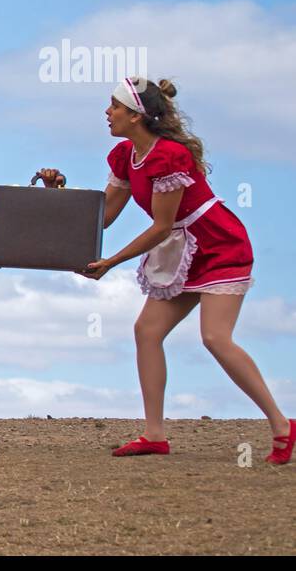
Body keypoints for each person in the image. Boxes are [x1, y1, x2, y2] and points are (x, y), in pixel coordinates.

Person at [37, 77, 292, 464]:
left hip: (218, 244)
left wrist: (111, 262)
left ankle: (283, 426)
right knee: (147, 331)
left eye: (115, 107)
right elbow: (102, 217)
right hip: (180, 248)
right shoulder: (126, 156)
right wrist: (55, 194)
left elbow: (160, 225)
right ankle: (154, 434)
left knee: (215, 337)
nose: (108, 113)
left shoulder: (169, 155)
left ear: (136, 115)